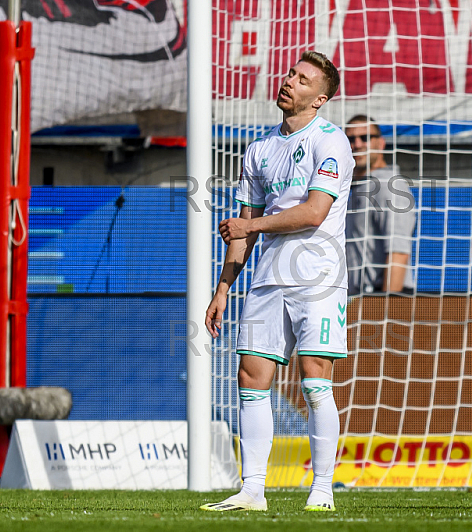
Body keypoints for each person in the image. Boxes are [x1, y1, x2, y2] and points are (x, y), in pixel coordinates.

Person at [201, 51, 353, 512]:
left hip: (318, 276)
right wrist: (223, 288)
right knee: (251, 376)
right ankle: (252, 490)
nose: (289, 82)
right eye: (291, 73)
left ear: (319, 98)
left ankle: (322, 490)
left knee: (314, 379)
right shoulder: (258, 149)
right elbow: (243, 225)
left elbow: (314, 212)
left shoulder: (332, 141)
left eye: (302, 79)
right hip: (267, 279)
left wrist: (250, 228)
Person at [345, 115, 416, 295]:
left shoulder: (389, 185)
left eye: (365, 138)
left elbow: (398, 252)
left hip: (383, 298)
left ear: (381, 143)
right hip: (359, 297)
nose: (357, 144)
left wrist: (384, 309)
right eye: (350, 139)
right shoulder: (358, 188)